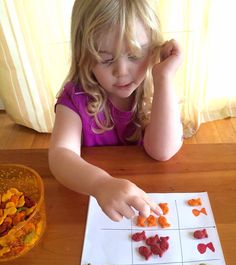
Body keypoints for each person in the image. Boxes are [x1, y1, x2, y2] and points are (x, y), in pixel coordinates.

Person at [49, 0, 183, 222]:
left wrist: (164, 77)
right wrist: (100, 183)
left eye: (134, 55)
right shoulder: (75, 97)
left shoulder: (154, 88)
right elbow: (60, 155)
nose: (121, 71)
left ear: (153, 50)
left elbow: (163, 151)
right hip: (91, 206)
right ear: (84, 56)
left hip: (149, 195)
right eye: (105, 59)